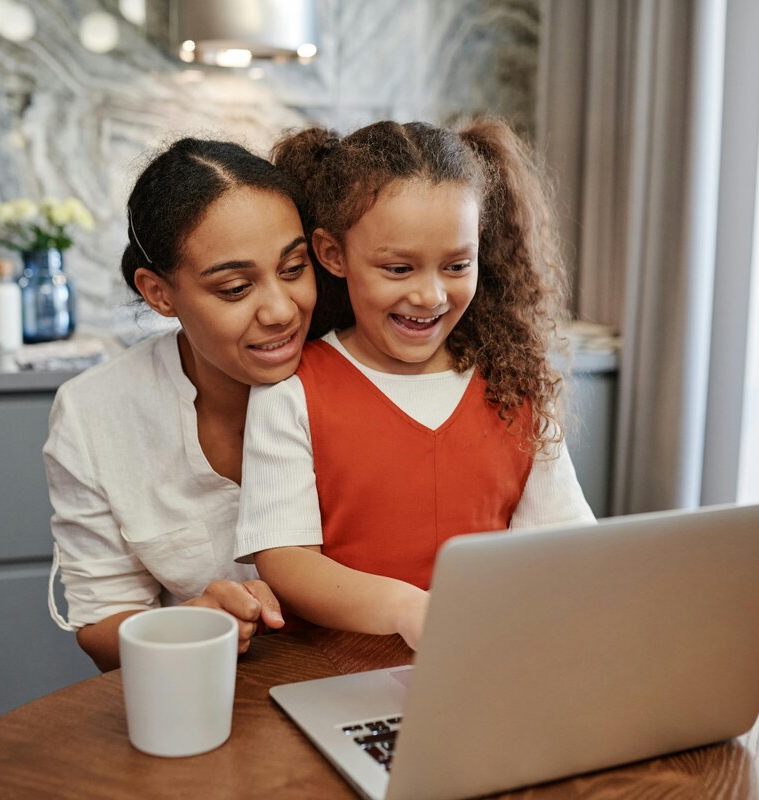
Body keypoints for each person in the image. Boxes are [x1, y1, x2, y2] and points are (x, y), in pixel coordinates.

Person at [234, 118, 595, 651]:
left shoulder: (514, 387)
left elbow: (565, 546)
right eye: (399, 268)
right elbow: (286, 562)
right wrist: (408, 609)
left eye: (456, 265)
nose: (430, 296)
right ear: (333, 255)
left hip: (486, 659)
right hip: (334, 673)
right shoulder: (291, 394)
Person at [44, 137, 317, 671]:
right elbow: (102, 624)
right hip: (209, 696)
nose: (282, 310)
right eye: (236, 288)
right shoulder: (95, 412)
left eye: (293, 268)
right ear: (159, 293)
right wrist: (189, 625)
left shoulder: (363, 374)